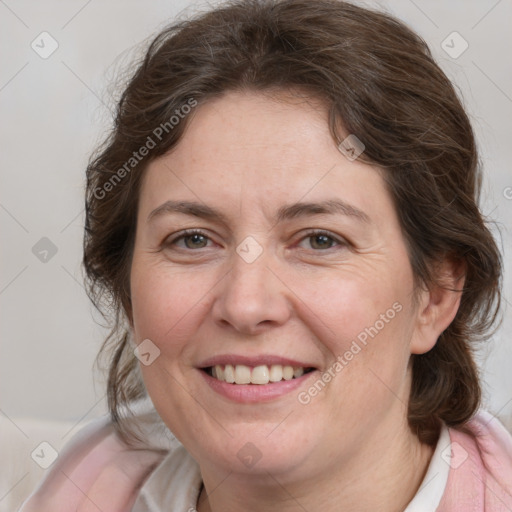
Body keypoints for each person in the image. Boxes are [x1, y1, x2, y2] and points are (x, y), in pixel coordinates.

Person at [20, 0, 512, 510]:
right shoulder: (88, 485)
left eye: (320, 239)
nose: (246, 305)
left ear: (434, 295)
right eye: (192, 239)